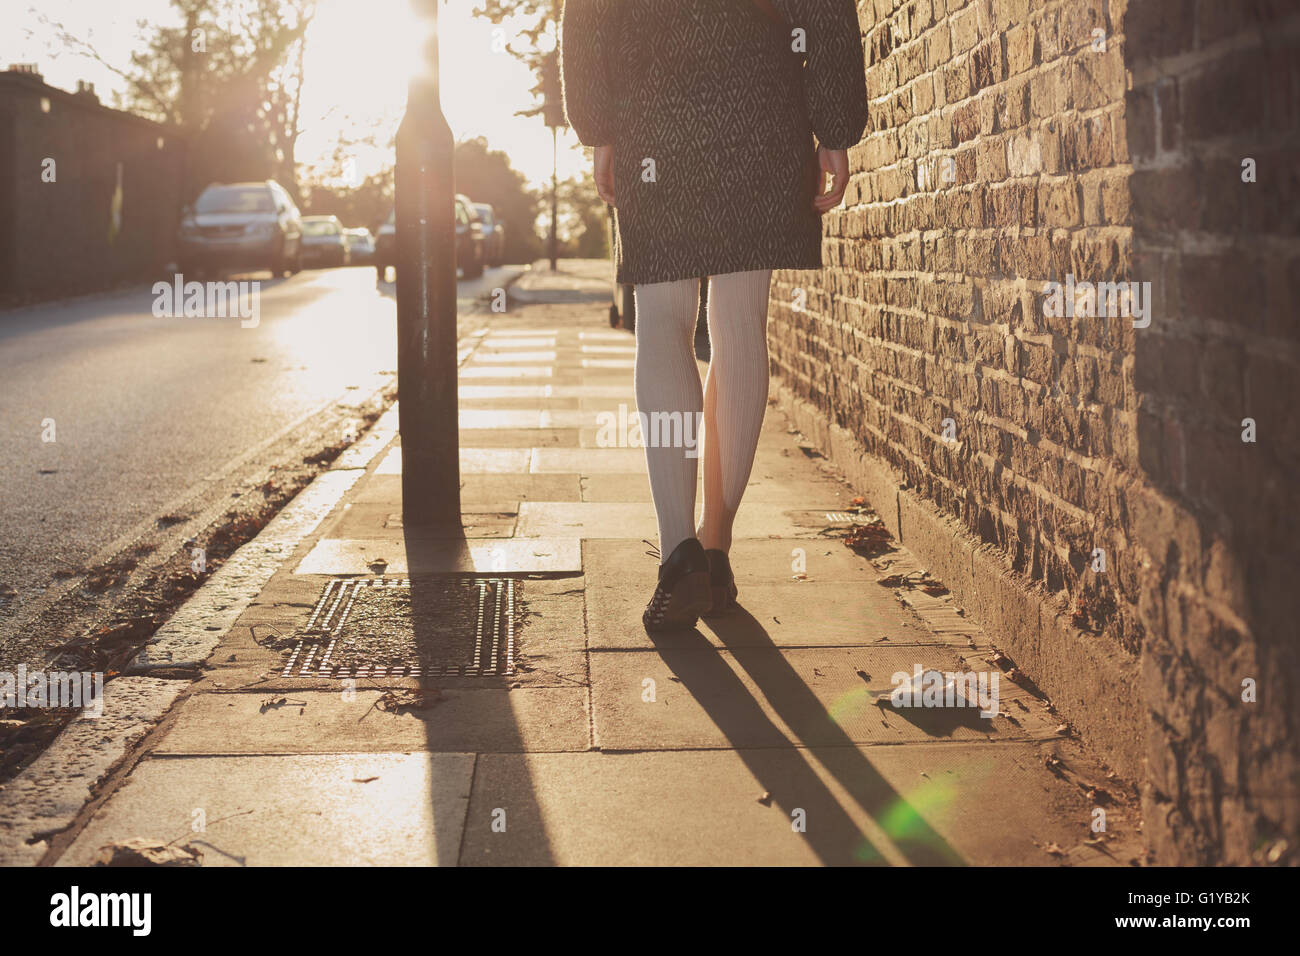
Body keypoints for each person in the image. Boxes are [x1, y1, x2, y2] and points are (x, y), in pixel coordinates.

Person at [561, 0, 868, 632]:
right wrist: (833, 128)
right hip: (764, 107)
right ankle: (717, 547)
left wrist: (598, 125)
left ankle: (681, 560)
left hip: (653, 112)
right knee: (739, 326)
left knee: (664, 320)